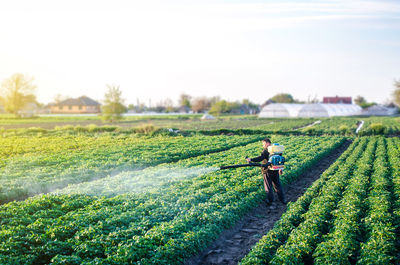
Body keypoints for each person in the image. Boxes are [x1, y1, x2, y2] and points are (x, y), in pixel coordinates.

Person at [246, 138, 286, 204]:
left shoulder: (266, 150)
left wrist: (251, 159)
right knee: (277, 185)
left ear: (267, 143)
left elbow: (260, 158)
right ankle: (282, 200)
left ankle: (270, 201)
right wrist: (280, 169)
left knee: (268, 186)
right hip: (275, 170)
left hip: (267, 171)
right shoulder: (276, 150)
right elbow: (280, 161)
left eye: (264, 144)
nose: (263, 146)